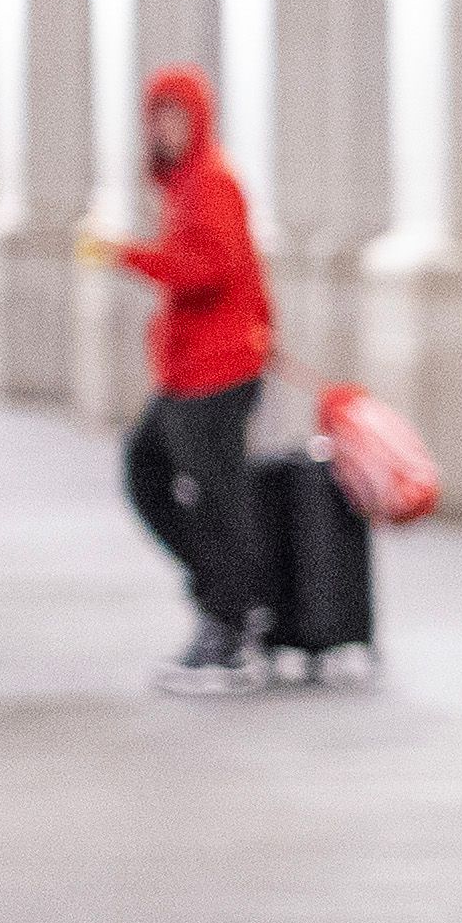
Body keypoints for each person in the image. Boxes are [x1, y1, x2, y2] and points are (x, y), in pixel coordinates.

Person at [84, 65, 274, 695]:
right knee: (150, 472)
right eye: (157, 116)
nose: (166, 128)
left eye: (177, 116)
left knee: (215, 495)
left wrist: (125, 253)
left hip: (217, 371)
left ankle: (231, 625)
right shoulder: (187, 185)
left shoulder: (211, 182)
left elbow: (206, 271)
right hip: (190, 372)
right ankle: (227, 597)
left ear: (199, 120)